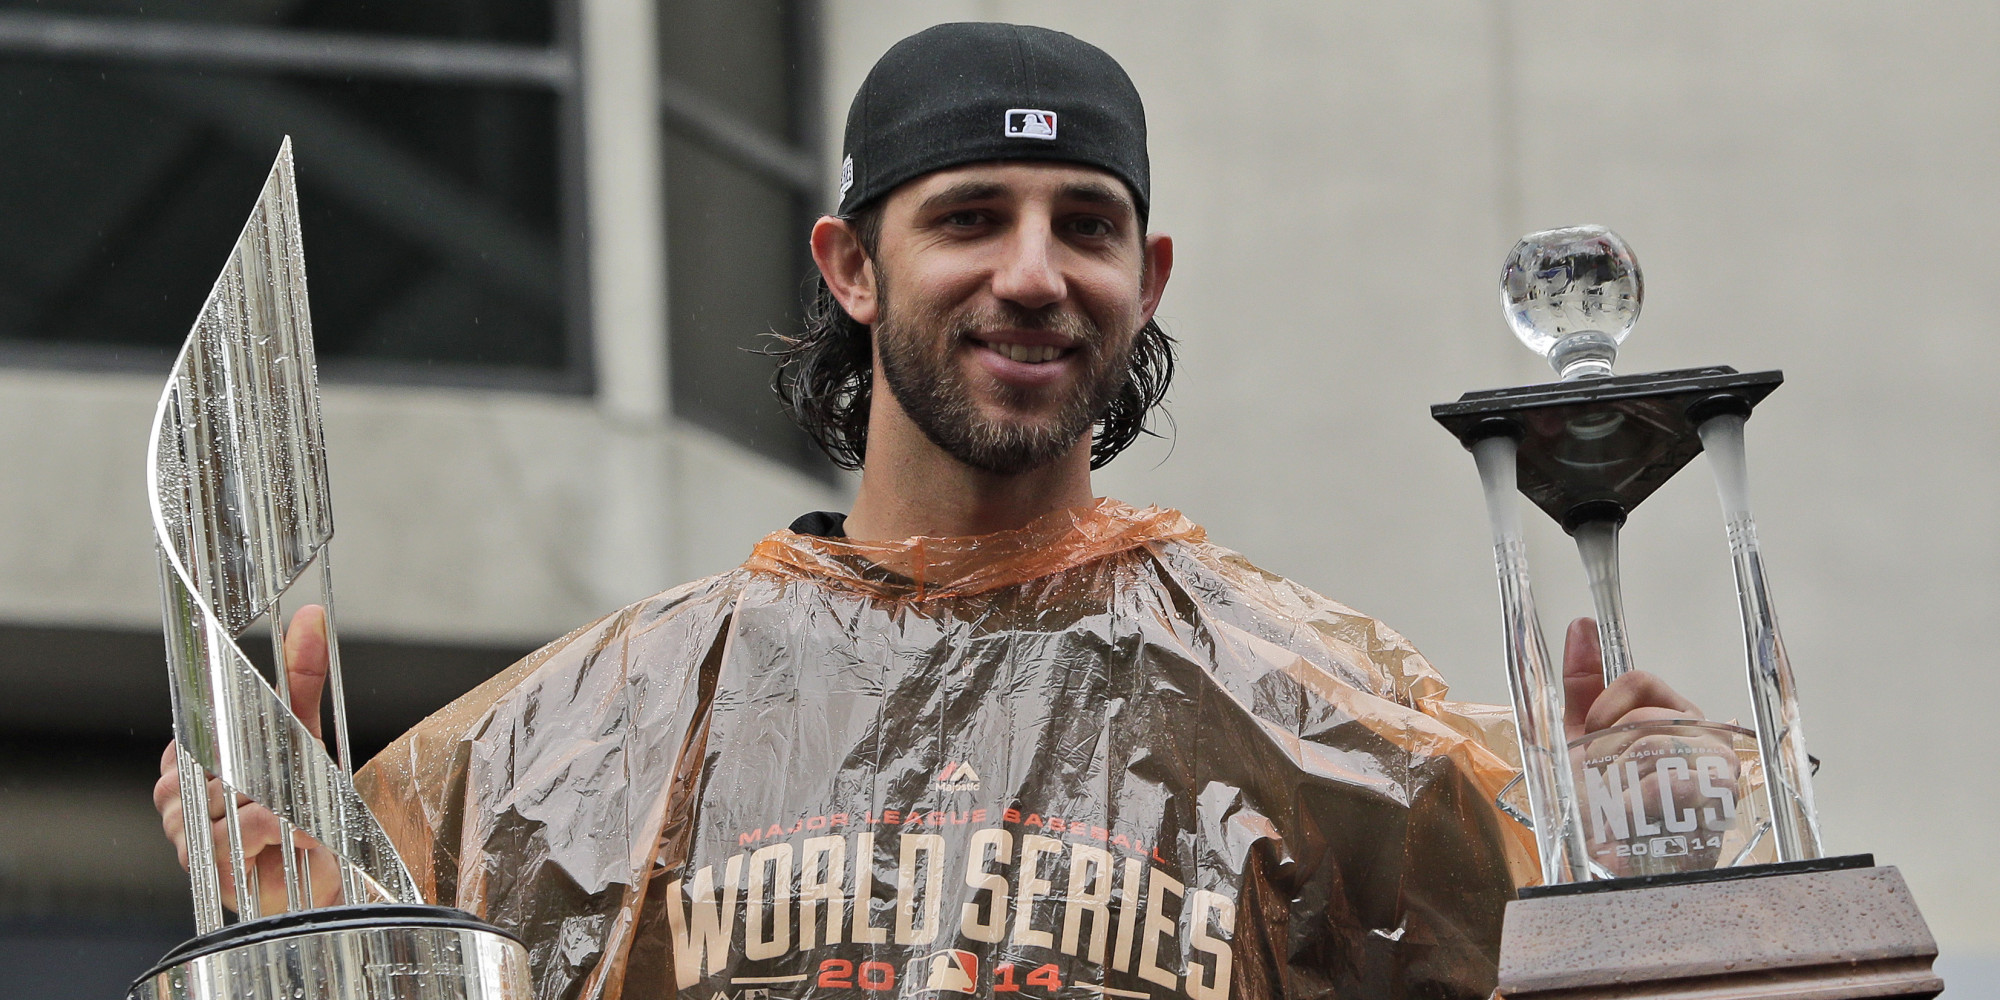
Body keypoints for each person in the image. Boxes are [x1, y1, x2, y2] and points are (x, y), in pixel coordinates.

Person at [155, 22, 1700, 1000]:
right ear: (848, 264)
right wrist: (310, 923)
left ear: (1143, 281)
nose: (1032, 271)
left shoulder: (1313, 717)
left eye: (1084, 226)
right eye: (969, 216)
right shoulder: (582, 739)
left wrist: (1627, 852)